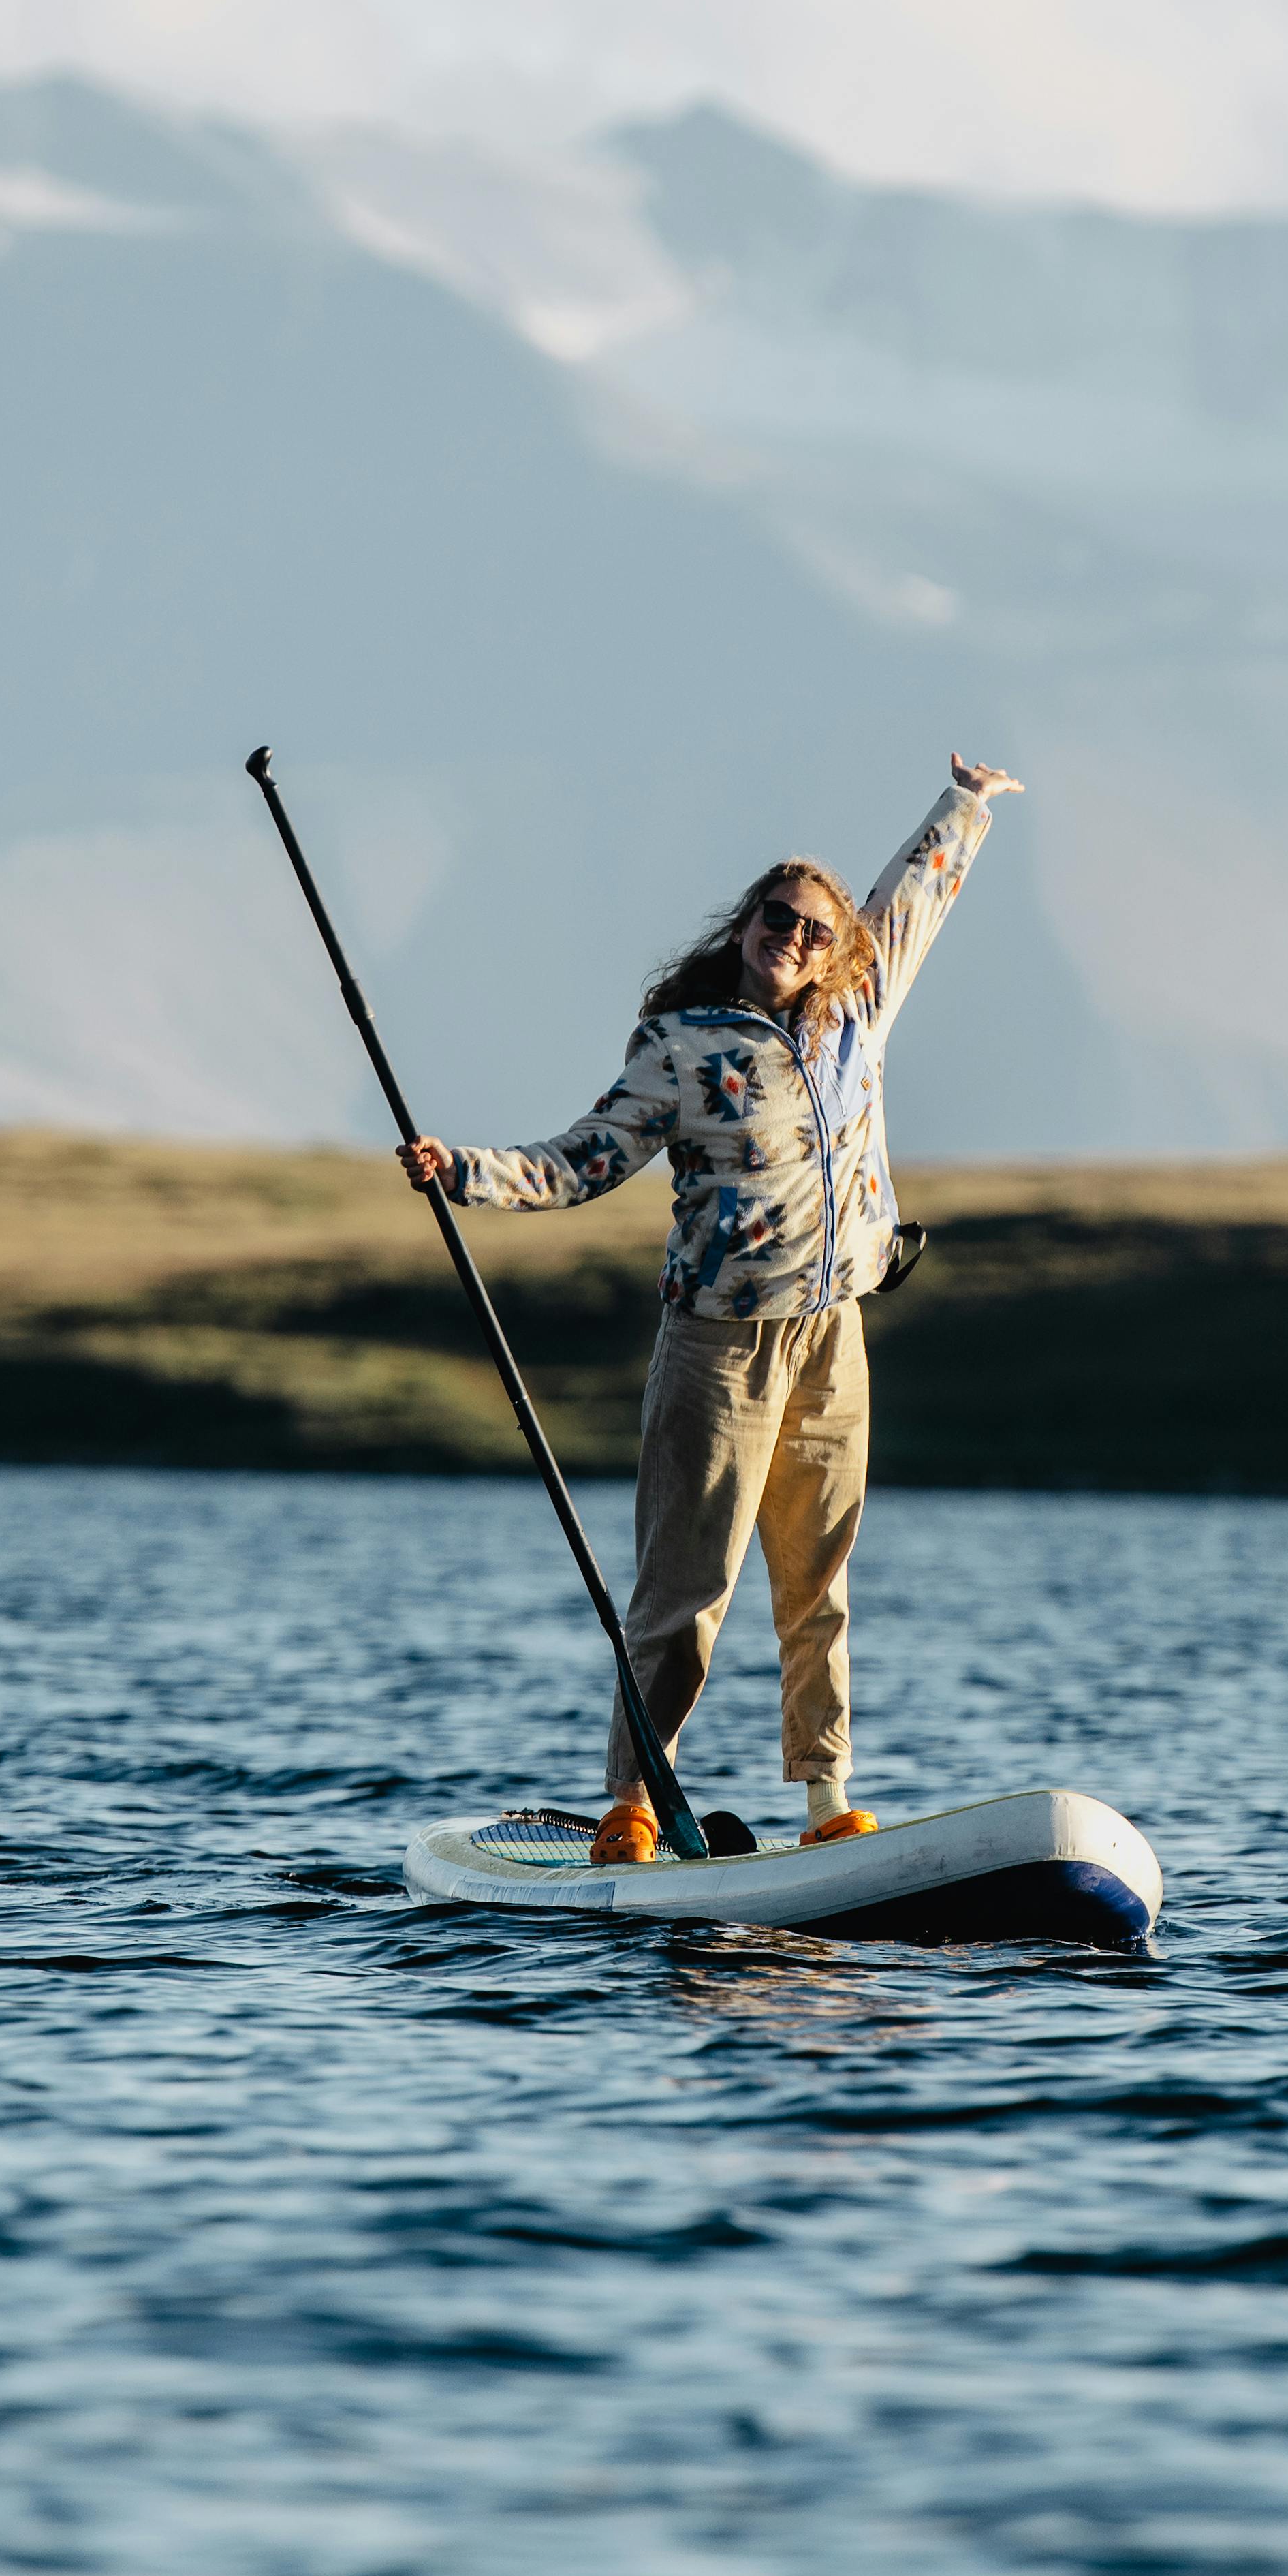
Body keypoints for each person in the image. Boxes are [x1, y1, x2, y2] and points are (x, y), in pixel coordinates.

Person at [399, 753, 1024, 1863]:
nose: (794, 936)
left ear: (838, 949)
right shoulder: (683, 1050)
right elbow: (587, 1157)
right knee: (689, 1582)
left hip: (833, 1329)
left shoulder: (859, 1008)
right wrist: (468, 1173)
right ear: (745, 925)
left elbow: (916, 897)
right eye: (777, 917)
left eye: (815, 928)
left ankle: (829, 1799)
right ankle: (634, 1799)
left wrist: (966, 803)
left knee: (819, 1575)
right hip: (718, 1346)